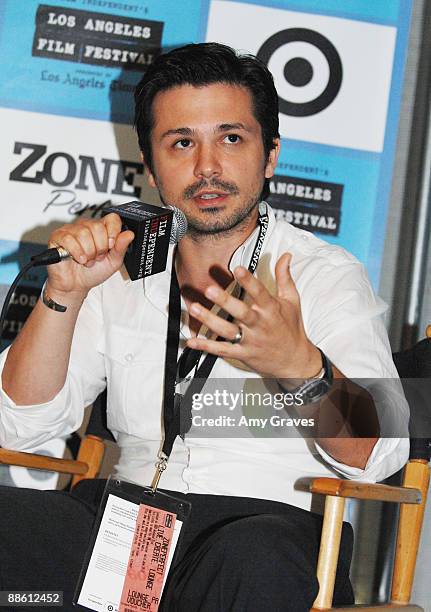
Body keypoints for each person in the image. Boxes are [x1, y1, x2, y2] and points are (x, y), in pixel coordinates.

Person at [0, 43, 408, 611]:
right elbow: (18, 428)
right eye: (182, 143)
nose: (207, 167)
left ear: (270, 156)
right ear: (150, 163)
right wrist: (63, 295)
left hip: (263, 531)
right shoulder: (115, 269)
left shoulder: (322, 277)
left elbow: (383, 451)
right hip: (127, 529)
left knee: (253, 554)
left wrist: (300, 368)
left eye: (232, 138)